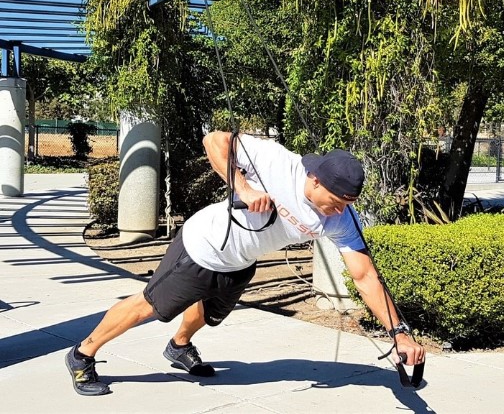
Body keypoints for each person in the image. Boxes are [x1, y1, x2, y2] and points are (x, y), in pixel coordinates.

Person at [65, 131, 425, 396]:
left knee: (207, 312)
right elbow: (213, 141)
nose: (340, 211)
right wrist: (243, 188)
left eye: (347, 204)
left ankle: (178, 346)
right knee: (150, 307)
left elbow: (365, 277)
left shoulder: (342, 219)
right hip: (202, 247)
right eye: (334, 201)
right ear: (313, 180)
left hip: (240, 261)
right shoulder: (277, 161)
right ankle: (82, 354)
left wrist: (399, 333)